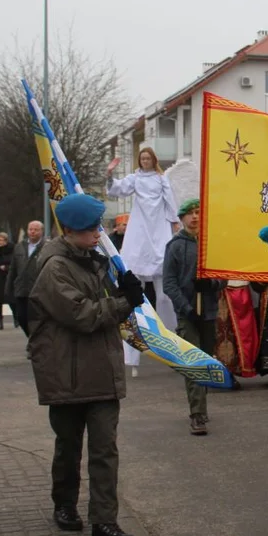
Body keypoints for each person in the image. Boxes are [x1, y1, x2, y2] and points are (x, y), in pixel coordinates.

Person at [27, 192, 142, 536]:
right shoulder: (55, 267)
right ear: (71, 230)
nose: (99, 233)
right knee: (69, 446)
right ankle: (64, 503)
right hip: (67, 373)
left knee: (105, 450)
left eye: (99, 227)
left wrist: (125, 289)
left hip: (102, 370)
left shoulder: (97, 260)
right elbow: (82, 314)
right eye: (92, 228)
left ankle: (104, 523)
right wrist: (125, 302)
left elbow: (104, 305)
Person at [106, 147, 180, 377]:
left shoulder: (160, 179)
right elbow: (118, 189)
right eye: (143, 158)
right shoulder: (136, 179)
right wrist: (109, 175)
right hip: (139, 233)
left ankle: (172, 345)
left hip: (157, 232)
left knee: (165, 294)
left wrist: (175, 221)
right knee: (132, 295)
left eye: (148, 158)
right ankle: (132, 356)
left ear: (153, 160)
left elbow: (170, 201)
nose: (145, 161)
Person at [163, 199, 226, 435]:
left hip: (209, 312)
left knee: (206, 360)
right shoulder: (175, 246)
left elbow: (223, 276)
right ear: (182, 219)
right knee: (193, 363)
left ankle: (202, 403)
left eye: (198, 212)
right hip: (188, 314)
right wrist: (186, 308)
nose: (195, 217)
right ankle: (197, 413)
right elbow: (169, 283)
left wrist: (211, 283)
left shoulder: (210, 244)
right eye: (190, 213)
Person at [5, 220, 45, 336]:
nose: (32, 232)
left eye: (36, 230)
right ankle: (32, 338)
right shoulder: (19, 247)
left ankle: (35, 343)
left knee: (37, 319)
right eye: (30, 229)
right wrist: (8, 289)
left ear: (41, 231)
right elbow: (13, 269)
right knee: (21, 318)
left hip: (38, 291)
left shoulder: (46, 247)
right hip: (21, 289)